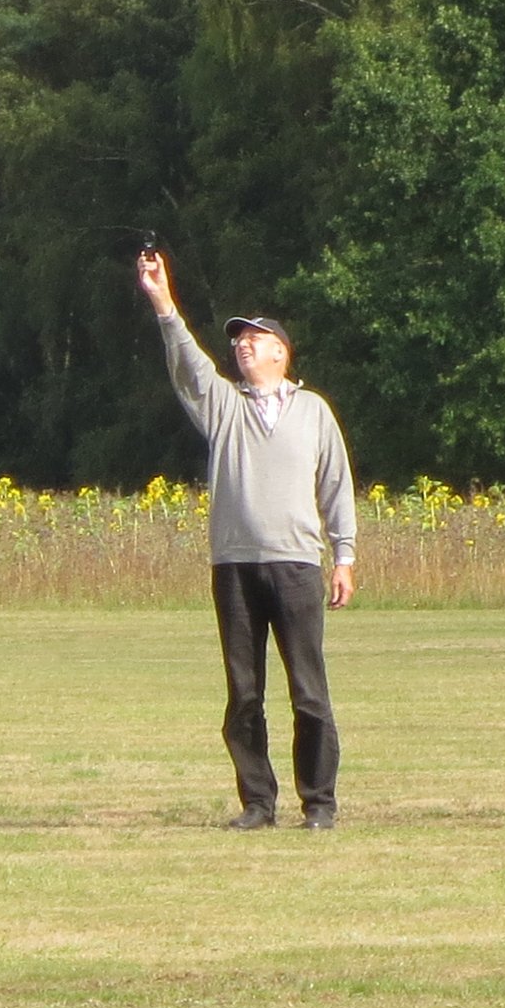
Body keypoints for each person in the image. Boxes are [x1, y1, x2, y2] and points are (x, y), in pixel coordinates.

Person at [136, 248, 357, 831]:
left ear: (281, 352)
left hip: (296, 566)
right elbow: (187, 360)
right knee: (244, 693)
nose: (241, 345)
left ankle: (320, 805)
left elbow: (336, 485)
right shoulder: (223, 407)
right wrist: (162, 299)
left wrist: (344, 556)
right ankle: (258, 803)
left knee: (309, 690)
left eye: (253, 339)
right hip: (234, 566)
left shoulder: (313, 412)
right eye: (237, 341)